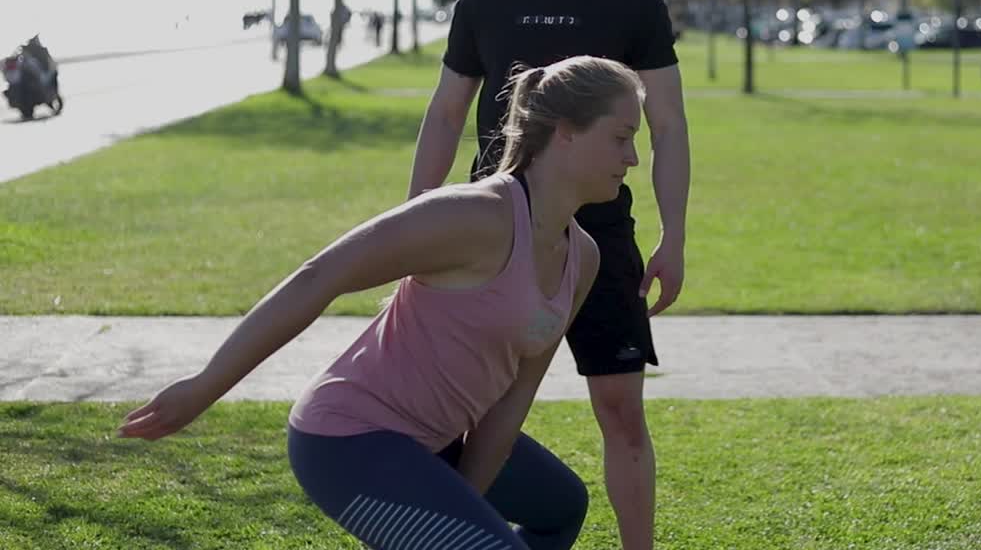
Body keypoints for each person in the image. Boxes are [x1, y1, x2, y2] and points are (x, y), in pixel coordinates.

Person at [117, 56, 649, 550]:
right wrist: (203, 388)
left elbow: (511, 402)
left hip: (435, 442)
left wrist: (457, 502)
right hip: (348, 438)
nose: (632, 157)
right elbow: (319, 276)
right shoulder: (472, 217)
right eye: (622, 137)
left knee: (561, 507)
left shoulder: (583, 256)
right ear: (567, 133)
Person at [405, 0, 690, 550]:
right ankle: (459, 536)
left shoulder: (635, 4)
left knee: (622, 413)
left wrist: (675, 237)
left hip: (601, 241)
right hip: (492, 239)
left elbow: (669, 125)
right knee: (471, 411)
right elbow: (445, 115)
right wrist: (415, 222)